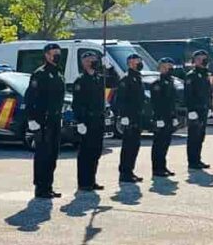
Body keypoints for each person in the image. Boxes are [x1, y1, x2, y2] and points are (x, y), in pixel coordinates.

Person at [24, 42, 65, 198]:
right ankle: (40, 187)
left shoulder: (58, 73)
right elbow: (30, 98)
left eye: (58, 53)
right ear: (47, 55)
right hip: (43, 120)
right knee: (43, 155)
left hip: (54, 119)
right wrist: (32, 119)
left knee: (53, 154)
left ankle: (48, 185)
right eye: (54, 53)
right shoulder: (40, 74)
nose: (57, 56)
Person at [72, 50, 107, 192]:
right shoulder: (80, 80)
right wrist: (80, 121)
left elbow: (115, 83)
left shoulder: (99, 78)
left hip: (98, 119)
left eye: (95, 60)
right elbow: (77, 103)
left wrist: (108, 67)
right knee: (85, 153)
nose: (94, 62)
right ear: (84, 63)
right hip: (87, 121)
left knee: (96, 151)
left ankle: (92, 180)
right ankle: (83, 182)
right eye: (91, 60)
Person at [113, 52, 145, 183]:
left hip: (137, 116)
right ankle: (124, 173)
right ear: (130, 63)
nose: (140, 63)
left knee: (135, 145)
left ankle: (130, 171)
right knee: (128, 146)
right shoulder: (126, 78)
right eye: (137, 61)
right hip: (129, 117)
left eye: (139, 60)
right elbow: (120, 100)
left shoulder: (137, 77)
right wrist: (123, 115)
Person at [183, 49, 212, 170]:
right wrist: (191, 110)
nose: (202, 61)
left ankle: (198, 159)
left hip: (204, 109)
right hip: (195, 110)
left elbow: (208, 92)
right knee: (193, 136)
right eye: (199, 59)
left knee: (201, 136)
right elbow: (188, 94)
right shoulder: (191, 75)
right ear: (194, 61)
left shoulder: (205, 74)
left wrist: (210, 106)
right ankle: (192, 161)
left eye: (203, 59)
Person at [149, 57, 177, 177]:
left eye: (170, 67)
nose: (168, 69)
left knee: (166, 143)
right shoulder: (157, 84)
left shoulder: (171, 82)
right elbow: (156, 103)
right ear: (160, 68)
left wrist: (174, 116)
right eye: (166, 67)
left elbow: (172, 102)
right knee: (159, 144)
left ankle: (163, 166)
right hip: (160, 117)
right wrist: (158, 118)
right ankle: (157, 169)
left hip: (169, 117)